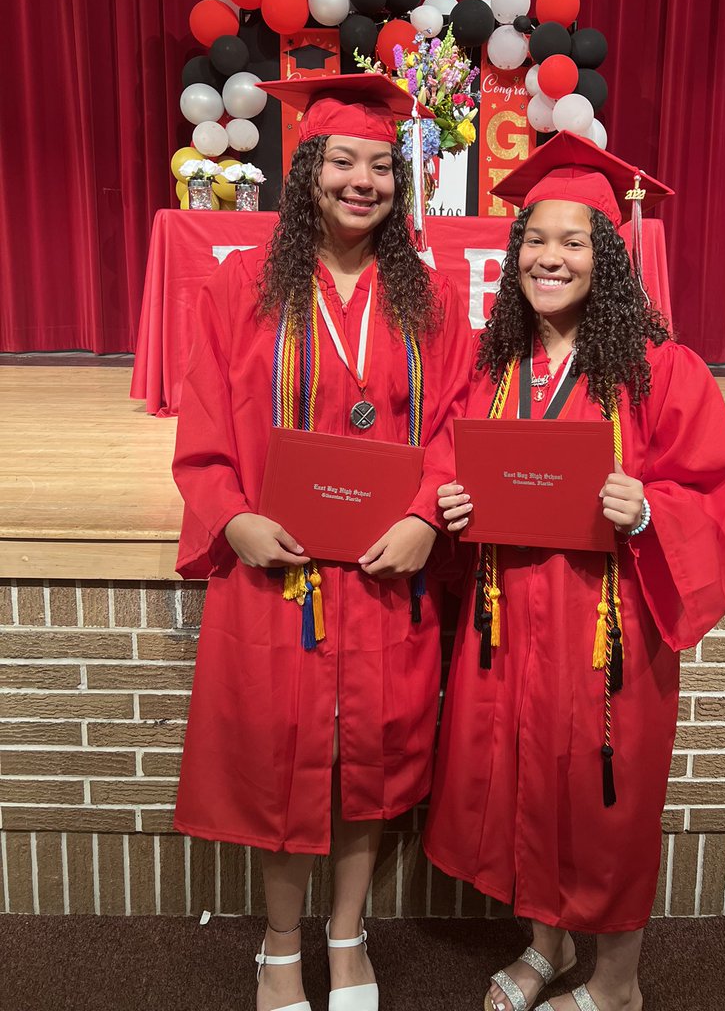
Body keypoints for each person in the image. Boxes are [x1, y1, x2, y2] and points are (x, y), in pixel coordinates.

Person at [423, 131, 725, 1011]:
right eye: (534, 240)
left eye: (573, 241)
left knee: (606, 805)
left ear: (607, 258)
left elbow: (710, 493)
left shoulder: (661, 372)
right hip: (512, 619)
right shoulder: (495, 371)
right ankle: (544, 946)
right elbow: (450, 462)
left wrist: (647, 510)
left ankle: (616, 983)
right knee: (527, 786)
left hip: (609, 632)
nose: (550, 258)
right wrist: (451, 505)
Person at [171, 73, 470, 1011]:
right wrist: (233, 516)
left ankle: (348, 938)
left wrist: (425, 516)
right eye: (343, 161)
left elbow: (456, 422)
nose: (362, 182)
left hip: (384, 576)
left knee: (367, 765)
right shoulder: (242, 286)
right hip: (281, 573)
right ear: (308, 173)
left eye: (381, 166)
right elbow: (204, 420)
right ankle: (278, 949)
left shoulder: (431, 298)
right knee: (281, 765)